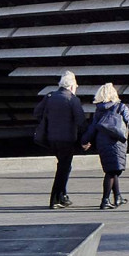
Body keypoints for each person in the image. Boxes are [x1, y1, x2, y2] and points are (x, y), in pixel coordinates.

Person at [33, 71, 87, 209]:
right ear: (72, 86)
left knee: (64, 166)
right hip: (67, 139)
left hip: (51, 138)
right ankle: (55, 199)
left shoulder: (50, 96)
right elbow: (81, 121)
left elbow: (37, 113)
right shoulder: (73, 100)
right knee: (63, 168)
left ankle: (63, 196)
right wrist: (85, 139)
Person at [81, 82, 129, 209]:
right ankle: (105, 200)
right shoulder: (120, 107)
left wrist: (84, 141)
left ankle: (118, 197)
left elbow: (92, 128)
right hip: (117, 142)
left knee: (112, 170)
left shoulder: (98, 111)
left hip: (102, 143)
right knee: (112, 172)